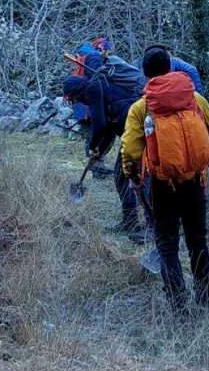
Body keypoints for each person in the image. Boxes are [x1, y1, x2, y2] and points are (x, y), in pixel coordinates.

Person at [121, 45, 209, 310]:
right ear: (171, 67)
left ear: (145, 73)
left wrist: (132, 176)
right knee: (197, 241)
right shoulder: (194, 98)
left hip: (162, 185)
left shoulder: (141, 108)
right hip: (195, 181)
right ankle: (206, 300)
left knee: (166, 244)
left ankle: (178, 305)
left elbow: (130, 148)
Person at [62, 47, 146, 239]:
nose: (75, 101)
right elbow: (107, 128)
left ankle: (146, 227)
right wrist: (99, 150)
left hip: (135, 131)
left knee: (135, 176)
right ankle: (132, 222)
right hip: (133, 130)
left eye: (73, 98)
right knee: (123, 174)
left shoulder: (93, 88)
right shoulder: (100, 87)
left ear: (76, 92)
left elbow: (99, 124)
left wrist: (92, 146)